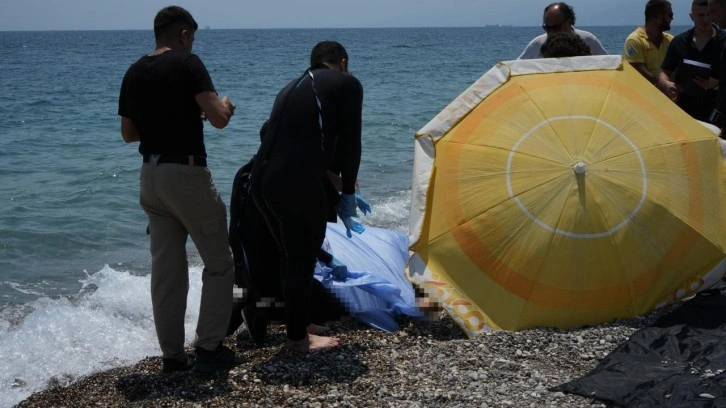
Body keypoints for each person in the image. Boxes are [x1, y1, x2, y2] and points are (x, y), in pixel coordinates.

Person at [117, 5, 243, 374]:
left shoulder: (134, 71)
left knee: (167, 271)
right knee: (219, 263)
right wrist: (225, 107)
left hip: (150, 175)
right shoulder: (189, 63)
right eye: (192, 38)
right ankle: (209, 347)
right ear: (184, 34)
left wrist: (179, 117)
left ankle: (172, 356)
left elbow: (128, 134)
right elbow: (218, 119)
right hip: (185, 173)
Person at [249, 41, 365, 352]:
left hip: (261, 181)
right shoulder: (347, 83)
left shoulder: (292, 86)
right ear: (343, 63)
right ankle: (297, 339)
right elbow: (351, 141)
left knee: (293, 256)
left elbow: (306, 141)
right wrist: (348, 193)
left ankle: (301, 325)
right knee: (301, 257)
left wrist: (333, 186)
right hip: (295, 182)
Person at [658, 0, 723, 122]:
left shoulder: (724, 42)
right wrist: (666, 84)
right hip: (684, 110)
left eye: (709, 14)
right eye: (701, 15)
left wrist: (717, 83)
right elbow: (664, 72)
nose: (706, 19)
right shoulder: (679, 42)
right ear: (691, 16)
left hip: (716, 111)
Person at [518, 2, 607, 59]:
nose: (552, 33)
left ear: (569, 22)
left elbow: (608, 65)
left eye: (556, 28)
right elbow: (516, 69)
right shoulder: (536, 45)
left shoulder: (588, 41)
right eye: (548, 28)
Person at [623, 0, 675, 85]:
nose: (672, 19)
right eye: (670, 15)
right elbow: (638, 70)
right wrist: (663, 86)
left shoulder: (671, 40)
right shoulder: (635, 40)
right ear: (658, 17)